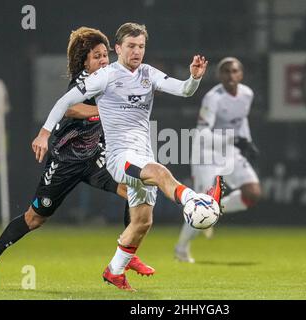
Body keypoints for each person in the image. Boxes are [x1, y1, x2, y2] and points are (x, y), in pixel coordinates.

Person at [31, 22, 223, 291]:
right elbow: (64, 102)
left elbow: (184, 90)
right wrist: (44, 133)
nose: (137, 51)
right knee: (158, 172)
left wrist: (194, 77)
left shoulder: (147, 73)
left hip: (143, 152)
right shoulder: (105, 76)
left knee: (143, 221)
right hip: (120, 157)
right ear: (118, 48)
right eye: (131, 46)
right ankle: (193, 202)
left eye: (141, 46)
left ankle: (114, 271)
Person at [0, 27, 154, 289]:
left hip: (94, 158)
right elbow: (70, 107)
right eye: (96, 56)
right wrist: (107, 109)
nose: (103, 60)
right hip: (66, 162)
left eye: (105, 55)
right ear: (85, 62)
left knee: (134, 189)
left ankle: (126, 256)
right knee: (35, 219)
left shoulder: (111, 77)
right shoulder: (83, 82)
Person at [175, 57, 262, 263]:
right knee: (202, 204)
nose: (230, 76)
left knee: (253, 193)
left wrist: (247, 142)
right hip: (206, 152)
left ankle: (213, 210)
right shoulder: (213, 98)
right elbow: (201, 134)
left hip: (230, 150)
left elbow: (241, 122)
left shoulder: (247, 94)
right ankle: (181, 249)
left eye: (234, 71)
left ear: (241, 74)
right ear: (218, 75)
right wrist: (235, 139)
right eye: (225, 72)